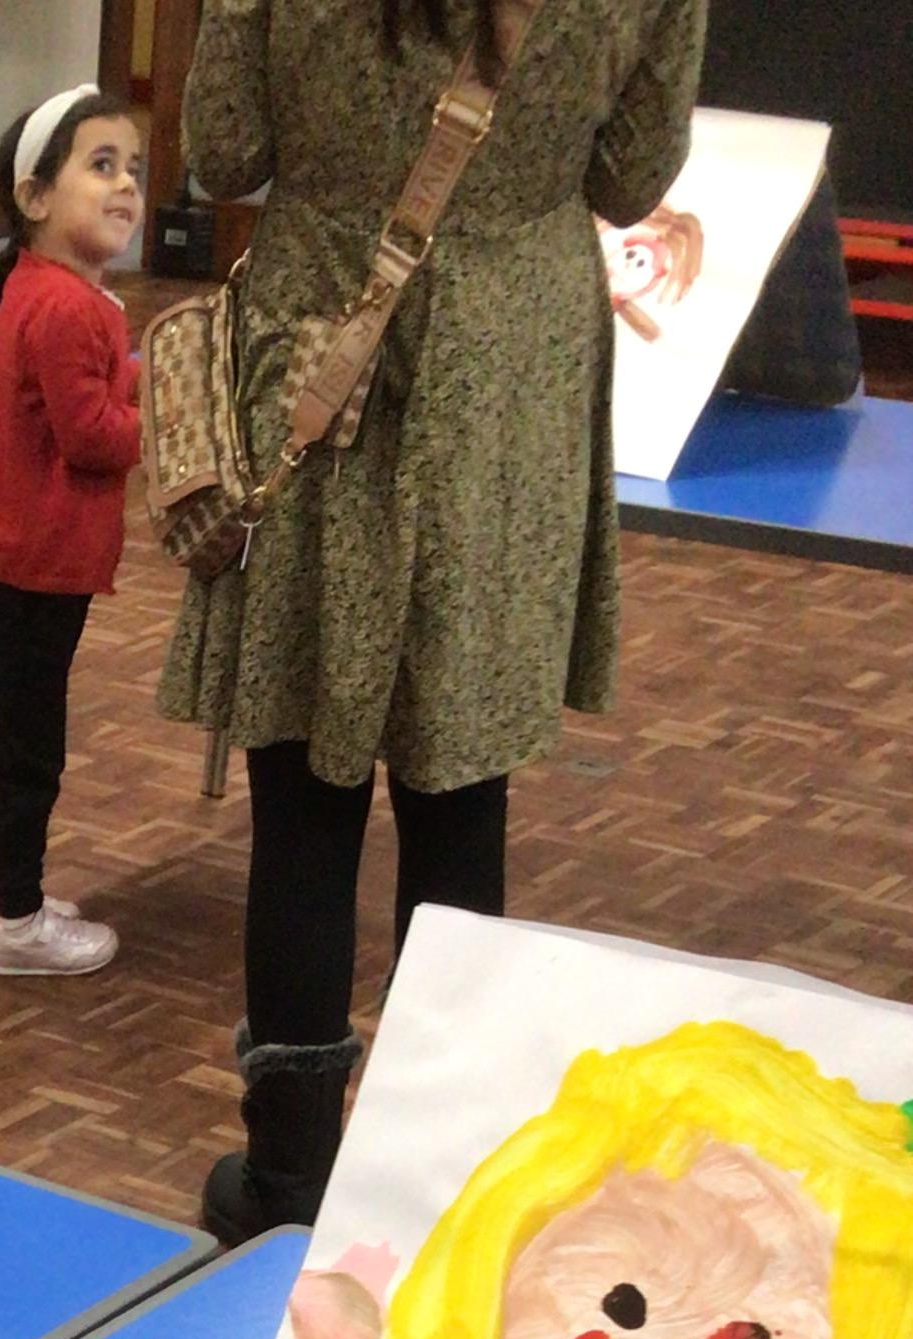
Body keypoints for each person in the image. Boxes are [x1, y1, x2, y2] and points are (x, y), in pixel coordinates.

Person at [158, 0, 708, 1240]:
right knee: (462, 794)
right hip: (508, 367)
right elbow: (630, 176)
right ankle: (438, 1177)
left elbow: (227, 149)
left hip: (321, 342)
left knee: (303, 794)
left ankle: (290, 1173)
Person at [0, 88, 145, 980]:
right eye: (101, 166)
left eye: (133, 168)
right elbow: (93, 436)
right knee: (31, 749)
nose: (126, 185)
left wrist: (134, 375)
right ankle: (20, 924)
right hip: (36, 564)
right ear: (34, 197)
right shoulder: (69, 306)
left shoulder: (45, 289)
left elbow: (88, 393)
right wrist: (165, 421)